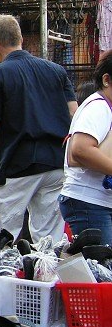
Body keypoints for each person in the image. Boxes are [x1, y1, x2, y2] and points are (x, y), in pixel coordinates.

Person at [0, 14, 77, 242]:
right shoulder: (57, 71)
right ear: (21, 40)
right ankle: (45, 275)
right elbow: (74, 114)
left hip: (15, 164)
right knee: (49, 239)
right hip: (55, 162)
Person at [60, 51, 112, 245]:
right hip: (90, 202)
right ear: (106, 80)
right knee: (100, 270)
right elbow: (80, 150)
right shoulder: (98, 107)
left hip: (96, 202)